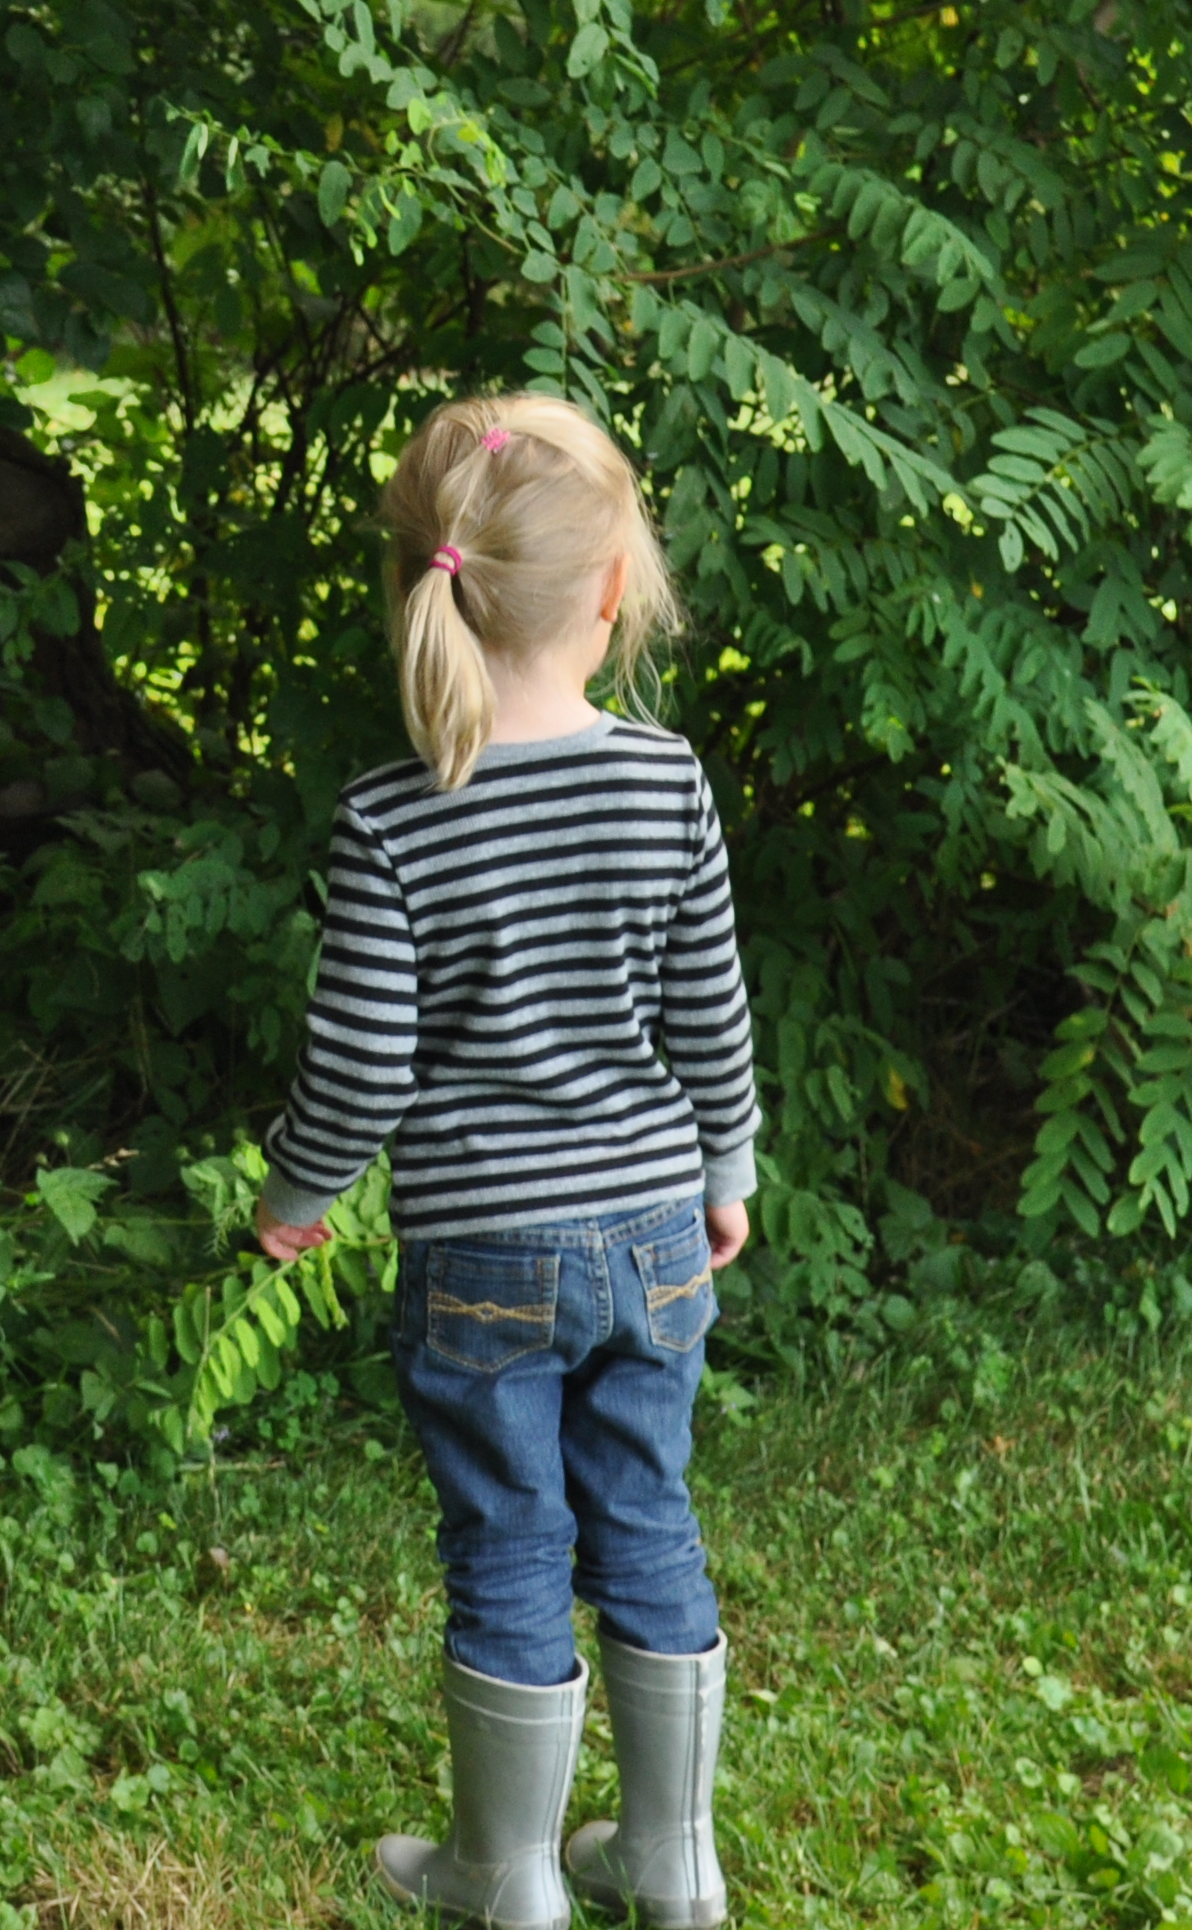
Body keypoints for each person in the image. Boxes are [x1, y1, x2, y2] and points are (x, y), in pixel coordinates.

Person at [254, 393, 761, 1930]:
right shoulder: (663, 780)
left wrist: (299, 1195)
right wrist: (727, 1168)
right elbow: (712, 1013)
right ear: (612, 591)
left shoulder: (397, 816)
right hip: (656, 1228)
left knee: (511, 1539)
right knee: (651, 1518)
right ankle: (674, 1863)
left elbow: (360, 1058)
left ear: (434, 579)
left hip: (482, 1257)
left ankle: (511, 1877)